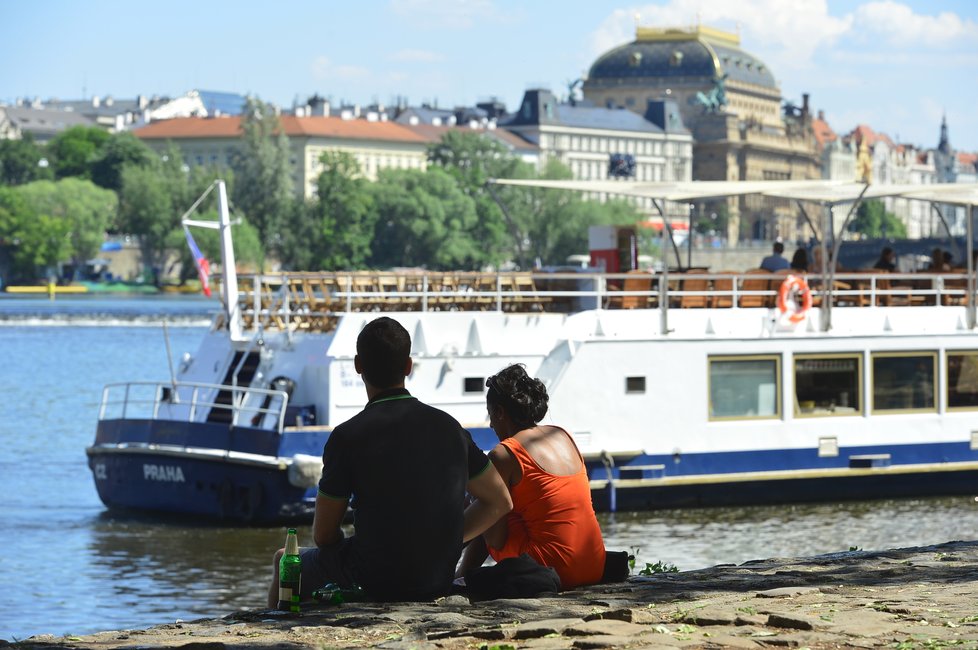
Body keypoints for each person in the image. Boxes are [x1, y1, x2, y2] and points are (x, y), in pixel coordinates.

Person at [267, 317, 512, 605]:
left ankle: (275, 628)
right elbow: (500, 501)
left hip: (372, 578)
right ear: (408, 366)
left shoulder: (346, 437)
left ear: (358, 365)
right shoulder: (450, 429)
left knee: (284, 560)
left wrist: (344, 551)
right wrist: (449, 541)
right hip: (436, 576)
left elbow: (323, 535)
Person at [456, 364, 606, 589]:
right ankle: (462, 572)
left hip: (553, 570)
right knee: (496, 501)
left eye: (491, 416)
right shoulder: (562, 434)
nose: (491, 425)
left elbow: (495, 539)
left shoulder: (505, 453)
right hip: (594, 564)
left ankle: (459, 574)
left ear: (499, 412)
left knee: (488, 502)